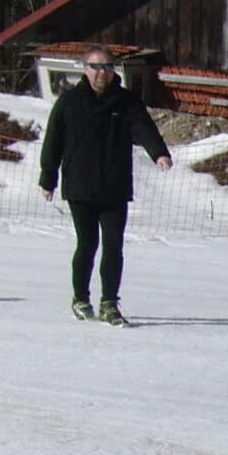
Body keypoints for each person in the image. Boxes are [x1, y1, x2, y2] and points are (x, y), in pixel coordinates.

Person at [37, 46, 173, 325]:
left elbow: (144, 128)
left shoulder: (126, 102)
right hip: (80, 186)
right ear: (84, 69)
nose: (102, 73)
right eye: (96, 67)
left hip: (114, 186)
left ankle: (109, 302)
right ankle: (80, 298)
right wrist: (48, 178)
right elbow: (53, 141)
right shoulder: (69, 102)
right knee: (87, 244)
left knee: (113, 246)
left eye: (108, 67)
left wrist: (159, 153)